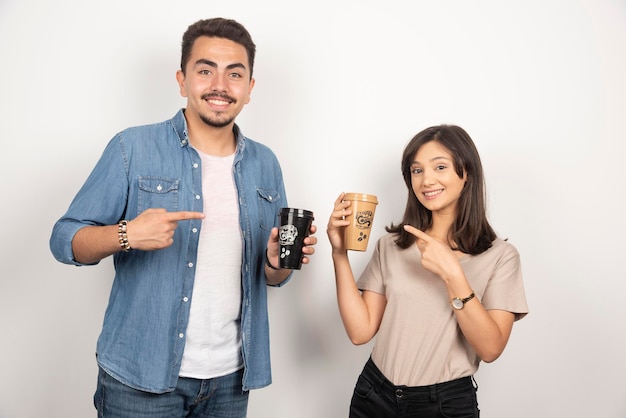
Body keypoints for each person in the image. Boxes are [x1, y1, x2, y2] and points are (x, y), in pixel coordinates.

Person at [50, 17, 317, 418]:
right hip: (140, 380)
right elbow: (64, 239)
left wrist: (276, 265)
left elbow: (273, 277)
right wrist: (127, 234)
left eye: (235, 74)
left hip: (230, 380)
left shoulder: (266, 164)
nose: (220, 86)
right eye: (205, 70)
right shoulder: (132, 147)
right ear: (182, 80)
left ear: (250, 89)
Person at [326, 125, 528, 418]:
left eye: (440, 167)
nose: (426, 180)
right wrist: (339, 253)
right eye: (416, 170)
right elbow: (360, 331)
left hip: (443, 406)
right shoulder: (391, 246)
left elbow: (490, 349)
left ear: (466, 172)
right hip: (374, 395)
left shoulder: (500, 257)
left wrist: (453, 275)